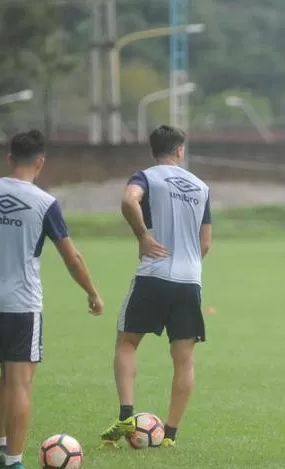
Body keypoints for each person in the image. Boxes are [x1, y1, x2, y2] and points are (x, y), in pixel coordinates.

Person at [0, 129, 104, 469]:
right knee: (21, 381)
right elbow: (72, 257)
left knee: (7, 374)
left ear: (8, 159)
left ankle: (4, 446)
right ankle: (14, 464)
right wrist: (92, 292)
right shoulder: (44, 202)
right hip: (21, 303)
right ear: (40, 162)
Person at [100, 125, 211, 448]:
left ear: (153, 151)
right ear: (180, 150)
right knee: (184, 359)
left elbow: (128, 201)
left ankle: (125, 416)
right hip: (189, 280)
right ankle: (170, 435)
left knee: (127, 343)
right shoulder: (201, 186)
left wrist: (143, 236)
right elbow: (206, 243)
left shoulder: (146, 177)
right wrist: (188, 260)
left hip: (153, 275)